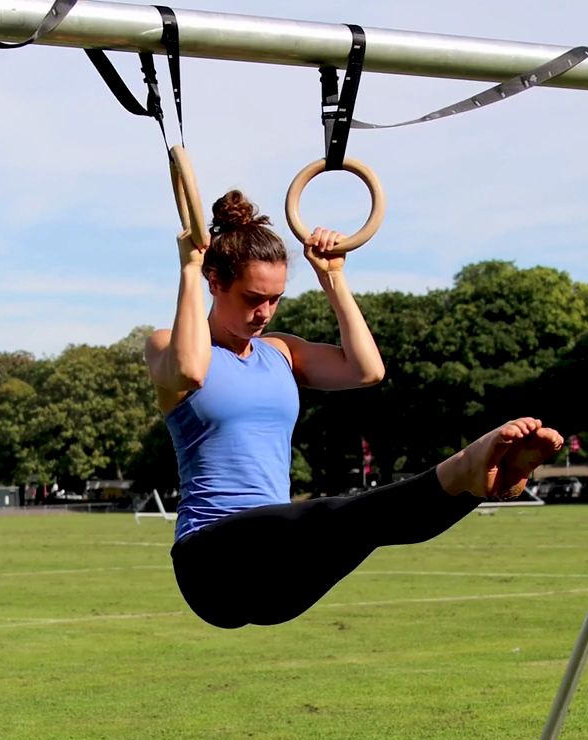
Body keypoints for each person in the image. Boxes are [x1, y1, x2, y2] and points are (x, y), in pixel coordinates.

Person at [144, 189, 564, 629]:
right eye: (253, 298)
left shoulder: (281, 352)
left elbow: (366, 370)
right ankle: (462, 469)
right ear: (216, 282)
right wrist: (190, 266)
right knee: (343, 512)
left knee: (368, 524)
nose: (265, 312)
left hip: (279, 576)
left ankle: (471, 486)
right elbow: (190, 371)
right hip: (212, 563)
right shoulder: (165, 347)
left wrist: (333, 278)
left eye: (276, 298)